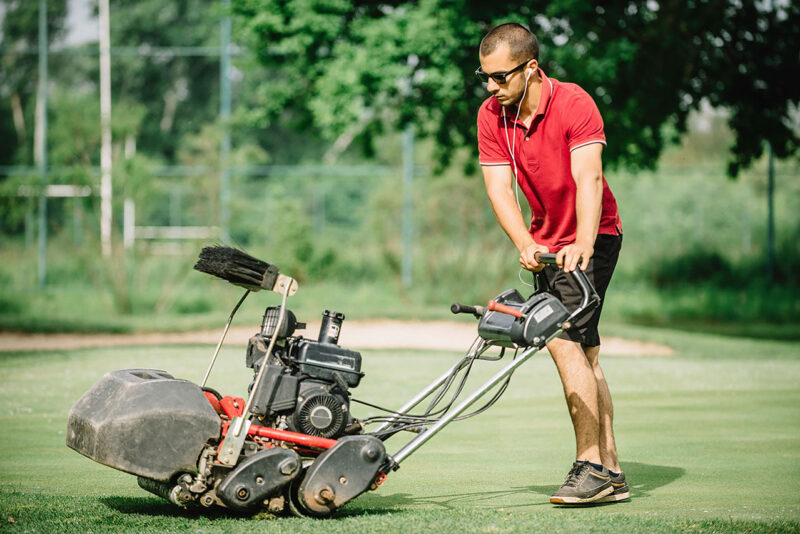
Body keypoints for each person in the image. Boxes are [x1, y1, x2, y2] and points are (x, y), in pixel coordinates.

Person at [475, 23, 629, 505]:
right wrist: (523, 241)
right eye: (484, 76)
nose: (490, 87)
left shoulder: (574, 103)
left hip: (594, 236)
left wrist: (583, 240)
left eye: (500, 77)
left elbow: (590, 178)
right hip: (546, 244)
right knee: (586, 356)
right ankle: (612, 470)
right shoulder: (491, 115)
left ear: (531, 68)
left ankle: (589, 465)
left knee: (562, 341)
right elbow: (500, 188)